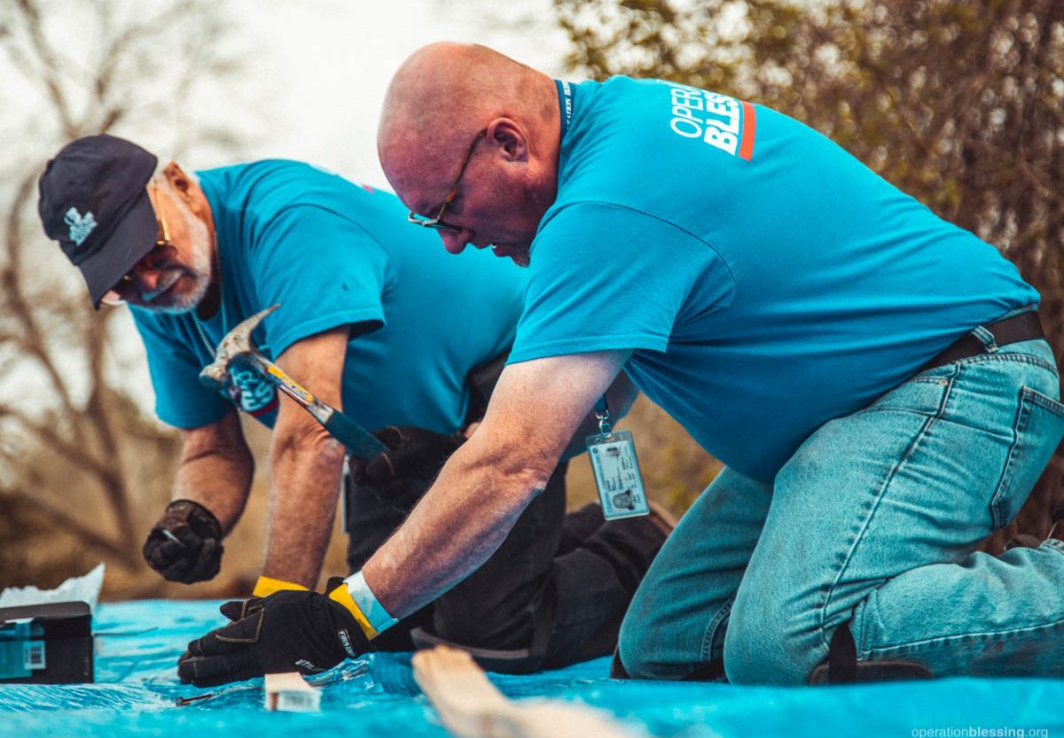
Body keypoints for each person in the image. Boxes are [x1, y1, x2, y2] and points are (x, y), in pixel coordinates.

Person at [175, 42, 1064, 688]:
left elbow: (515, 459)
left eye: (445, 206)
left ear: (510, 142)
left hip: (958, 382)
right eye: (426, 223)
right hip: (828, 428)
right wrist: (449, 456)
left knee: (783, 642)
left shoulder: (609, 202)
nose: (449, 241)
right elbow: (587, 402)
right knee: (662, 644)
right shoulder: (614, 137)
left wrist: (343, 614)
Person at [36, 133, 670, 672]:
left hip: (520, 365)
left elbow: (308, 438)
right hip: (391, 440)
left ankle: (639, 542)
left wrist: (275, 614)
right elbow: (211, 448)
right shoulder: (164, 302)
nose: (146, 281)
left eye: (150, 249)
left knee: (486, 637)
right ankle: (555, 537)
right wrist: (192, 515)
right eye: (120, 278)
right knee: (389, 628)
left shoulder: (288, 220)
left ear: (177, 183)